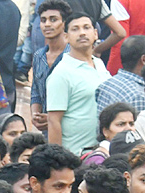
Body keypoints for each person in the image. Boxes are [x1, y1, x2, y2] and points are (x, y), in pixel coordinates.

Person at [45, 13, 106, 152]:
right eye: (75, 29)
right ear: (66, 37)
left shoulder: (100, 64)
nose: (82, 33)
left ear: (95, 33)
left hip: (101, 151)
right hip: (76, 155)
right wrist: (59, 161)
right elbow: (54, 121)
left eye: (86, 27)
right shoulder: (61, 74)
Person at [30, 0, 70, 135]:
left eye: (53, 20)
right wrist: (35, 115)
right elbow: (36, 91)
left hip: (71, 130)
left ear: (64, 23)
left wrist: (54, 118)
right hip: (47, 132)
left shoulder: (74, 56)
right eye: (43, 20)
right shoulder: (38, 56)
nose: (47, 24)